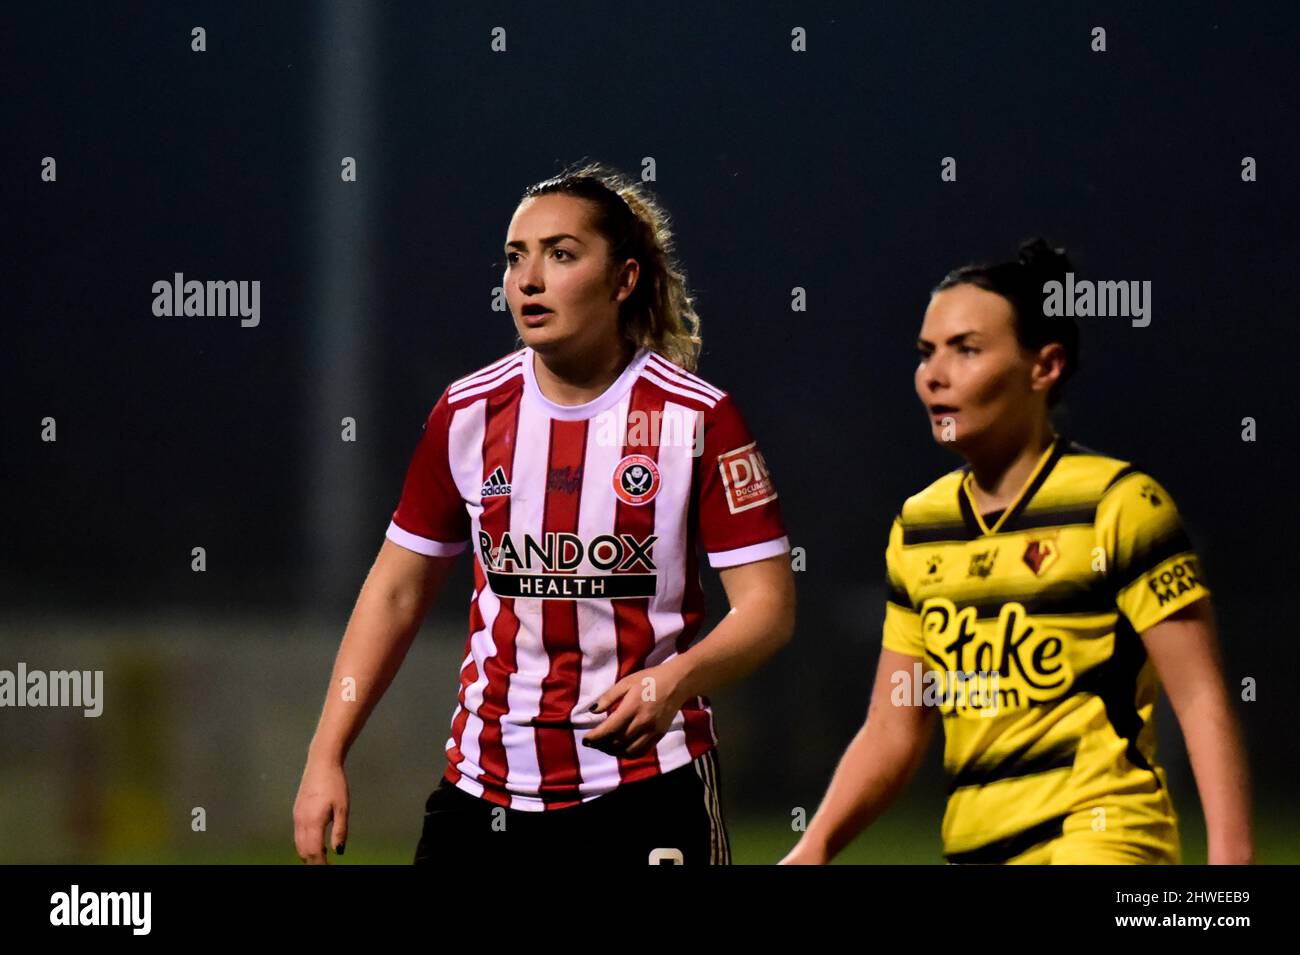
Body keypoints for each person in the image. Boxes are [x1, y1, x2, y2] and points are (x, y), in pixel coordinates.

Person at [293, 162, 796, 866]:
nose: (528, 279)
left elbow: (768, 606)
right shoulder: (467, 414)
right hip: (483, 794)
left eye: (560, 255)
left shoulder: (694, 417)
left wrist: (672, 680)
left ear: (623, 280)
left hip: (644, 790)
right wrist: (326, 752)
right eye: (514, 258)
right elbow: (396, 590)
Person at [781, 239, 1252, 865]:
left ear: (1045, 366)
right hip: (974, 848)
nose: (935, 375)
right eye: (926, 354)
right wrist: (811, 849)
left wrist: (1232, 864)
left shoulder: (1119, 503)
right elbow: (894, 728)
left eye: (967, 350)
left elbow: (1199, 694)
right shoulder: (921, 526)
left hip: (1101, 839)